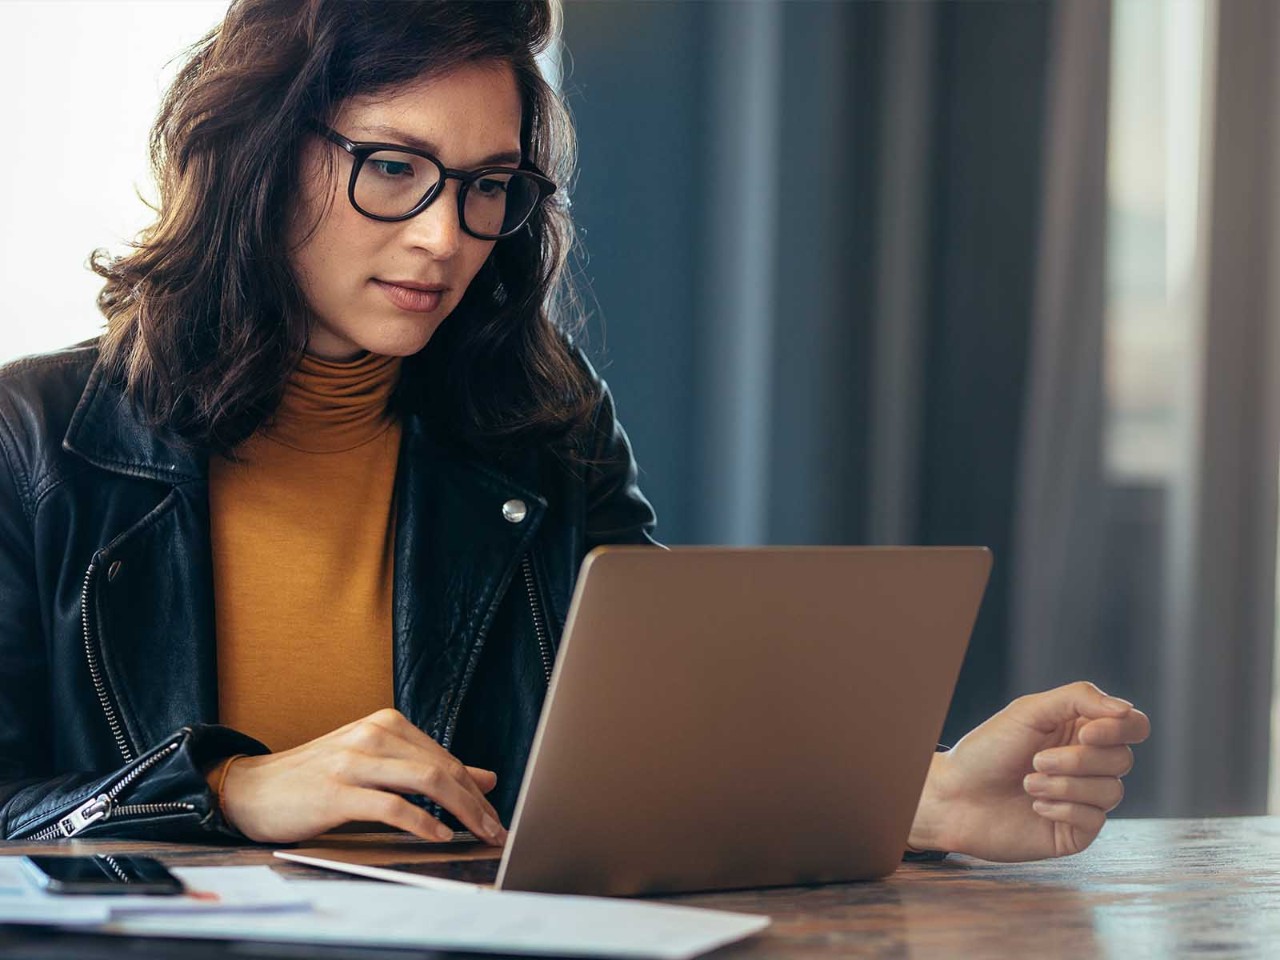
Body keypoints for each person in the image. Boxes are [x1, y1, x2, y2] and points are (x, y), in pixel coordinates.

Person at [0, 0, 1147, 862]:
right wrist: (229, 791)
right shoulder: (34, 442)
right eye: (393, 169)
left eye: (488, 184)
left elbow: (647, 750)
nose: (447, 236)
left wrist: (927, 794)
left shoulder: (541, 425)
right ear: (259, 154)